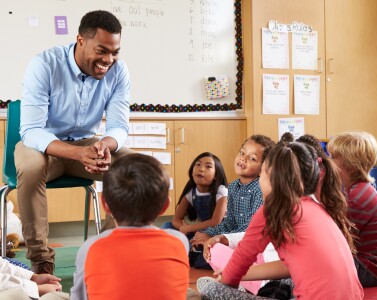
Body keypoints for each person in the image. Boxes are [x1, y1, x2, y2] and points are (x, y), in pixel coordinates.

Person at [15, 10, 132, 274]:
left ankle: (115, 248)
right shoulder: (44, 64)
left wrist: (106, 145)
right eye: (102, 51)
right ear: (80, 40)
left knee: (137, 167)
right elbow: (31, 130)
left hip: (88, 144)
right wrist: (77, 154)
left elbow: (118, 125)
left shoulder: (119, 71)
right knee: (31, 169)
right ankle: (41, 259)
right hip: (43, 146)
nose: (108, 60)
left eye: (115, 52)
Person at [198, 142, 363, 299]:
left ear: (271, 177)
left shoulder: (273, 209)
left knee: (210, 289)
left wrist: (227, 281)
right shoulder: (317, 207)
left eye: (261, 174)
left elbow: (239, 262)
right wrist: (238, 274)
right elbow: (288, 266)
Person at [70, 153, 191, 299]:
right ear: (165, 206)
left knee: (52, 296)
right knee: (191, 293)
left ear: (105, 205)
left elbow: (79, 297)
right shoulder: (180, 241)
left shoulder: (90, 247)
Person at [327, 131, 377, 287]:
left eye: (333, 157)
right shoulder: (357, 189)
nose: (328, 162)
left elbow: (334, 238)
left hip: (369, 269)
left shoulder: (357, 198)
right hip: (364, 262)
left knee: (313, 263)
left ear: (349, 167)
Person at [191, 135, 275, 248]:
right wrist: (208, 233)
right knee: (199, 244)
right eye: (242, 153)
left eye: (252, 158)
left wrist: (218, 238)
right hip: (232, 238)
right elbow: (230, 222)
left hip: (252, 242)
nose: (243, 159)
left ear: (263, 168)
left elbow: (251, 228)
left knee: (211, 251)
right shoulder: (233, 187)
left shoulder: (261, 189)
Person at [163, 152, 228, 236]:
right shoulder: (190, 192)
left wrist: (189, 228)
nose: (201, 169)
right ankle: (194, 243)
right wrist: (184, 227)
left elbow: (215, 222)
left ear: (216, 175)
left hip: (219, 232)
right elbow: (176, 220)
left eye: (208, 166)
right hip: (200, 229)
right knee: (167, 225)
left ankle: (195, 244)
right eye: (198, 164)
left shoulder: (221, 191)